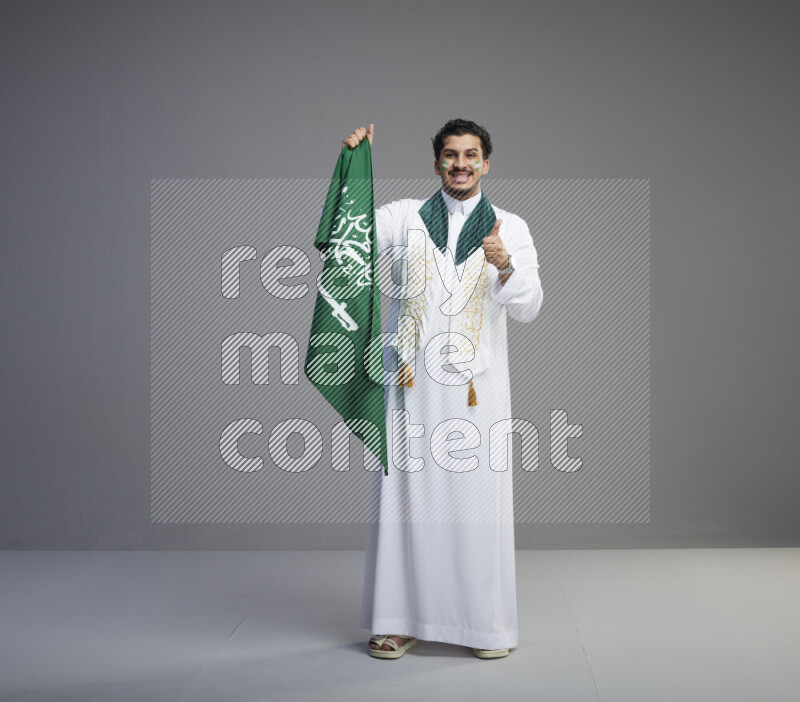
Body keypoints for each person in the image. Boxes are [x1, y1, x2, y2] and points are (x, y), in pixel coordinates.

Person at [340, 119, 544, 659]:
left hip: (478, 393)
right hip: (410, 386)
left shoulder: (510, 226)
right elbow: (351, 231)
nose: (461, 163)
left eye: (471, 155)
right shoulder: (404, 217)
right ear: (436, 164)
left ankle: (482, 625)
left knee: (477, 505)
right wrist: (353, 168)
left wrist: (507, 267)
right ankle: (397, 620)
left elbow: (529, 306)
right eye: (450, 155)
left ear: (486, 163)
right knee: (406, 503)